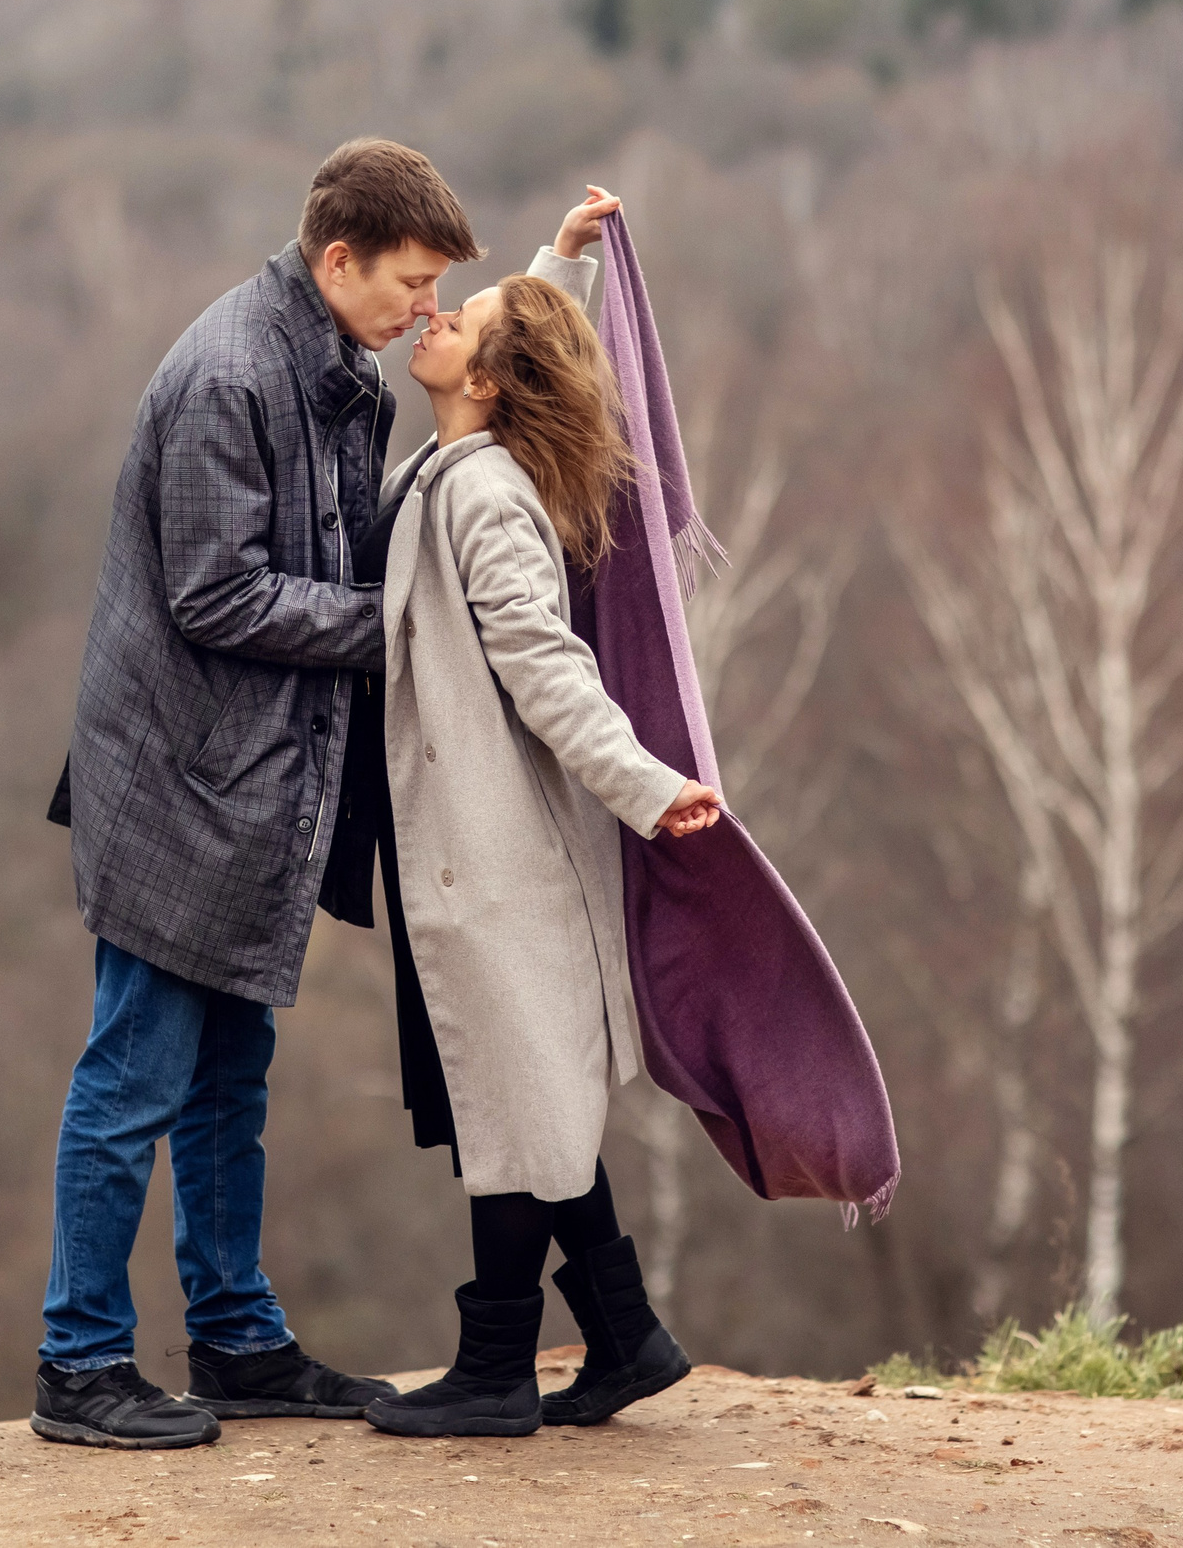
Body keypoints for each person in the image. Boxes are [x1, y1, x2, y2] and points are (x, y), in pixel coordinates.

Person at [36, 139, 506, 1451]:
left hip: (250, 788)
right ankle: (77, 1360)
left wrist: (565, 274)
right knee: (130, 1077)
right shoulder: (232, 373)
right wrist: (400, 621)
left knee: (231, 1079)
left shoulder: (330, 364)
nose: (427, 311)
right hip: (179, 786)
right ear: (338, 256)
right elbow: (216, 591)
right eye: (412, 283)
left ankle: (237, 1339)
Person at [337, 188, 725, 1439]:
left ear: (493, 383)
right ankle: (622, 1338)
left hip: (498, 855)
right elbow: (549, 350)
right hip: (459, 850)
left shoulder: (485, 491)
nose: (433, 319)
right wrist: (564, 264)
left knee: (513, 1103)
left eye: (463, 321)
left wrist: (651, 790)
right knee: (520, 1098)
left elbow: (548, 668)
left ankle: (499, 1368)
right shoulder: (447, 461)